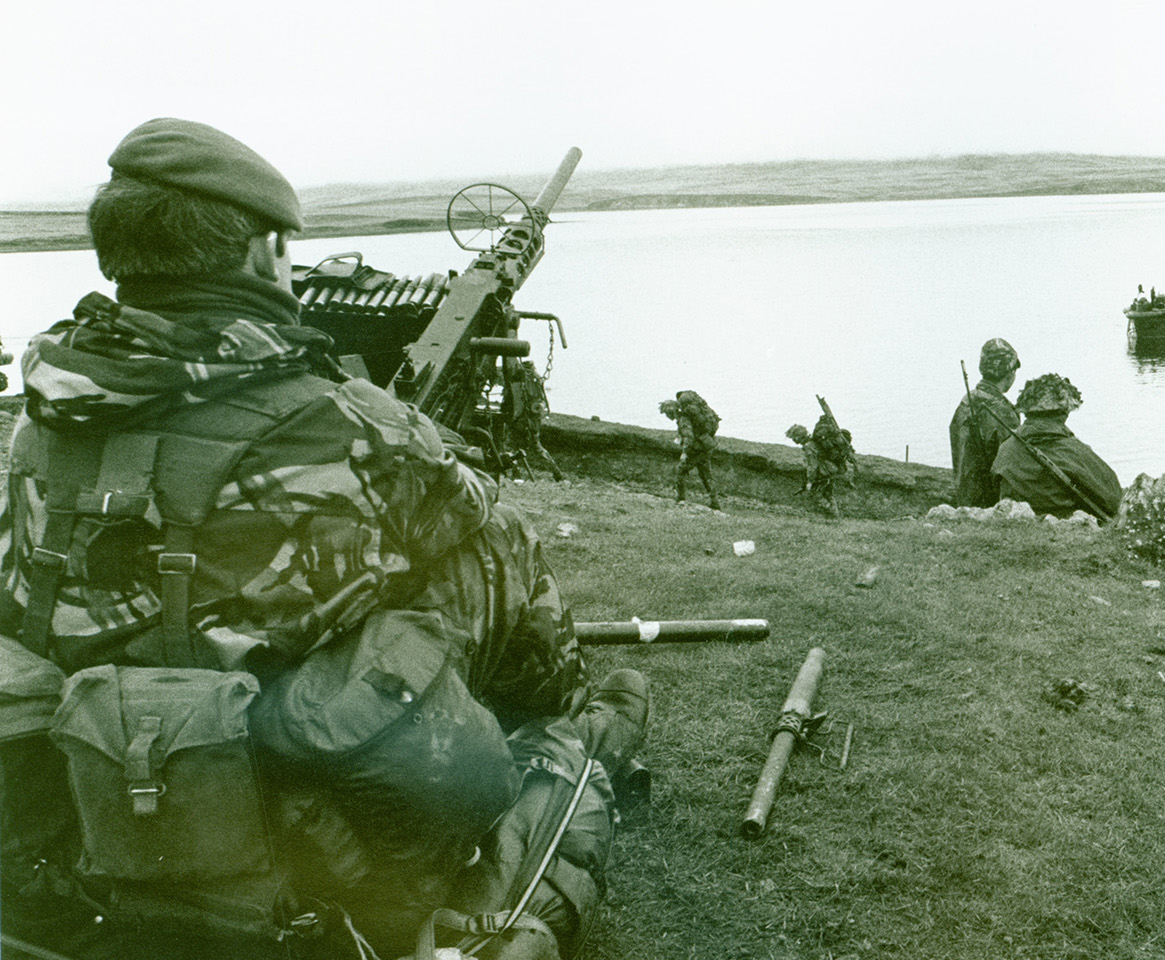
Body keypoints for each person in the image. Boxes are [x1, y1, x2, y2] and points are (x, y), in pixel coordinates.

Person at [0, 119, 651, 960]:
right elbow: (488, 543)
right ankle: (564, 739)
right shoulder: (355, 424)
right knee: (496, 544)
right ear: (266, 251)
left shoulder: (39, 423)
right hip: (308, 843)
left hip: (92, 805)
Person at [990, 373, 1123, 521]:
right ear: (1063, 412)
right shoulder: (1074, 451)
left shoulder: (1005, 449)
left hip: (1017, 524)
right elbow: (1113, 499)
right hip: (1067, 528)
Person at [950, 338, 1022, 508]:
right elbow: (1012, 466)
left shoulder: (966, 402)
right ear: (1010, 371)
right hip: (993, 506)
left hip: (965, 501)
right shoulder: (1002, 411)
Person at [662, 389, 721, 508]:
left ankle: (681, 499)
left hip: (698, 449)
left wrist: (684, 453)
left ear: (670, 409)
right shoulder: (690, 414)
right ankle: (715, 502)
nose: (667, 416)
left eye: (666, 413)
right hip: (706, 446)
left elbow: (689, 436)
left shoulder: (684, 418)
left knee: (680, 470)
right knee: (706, 475)